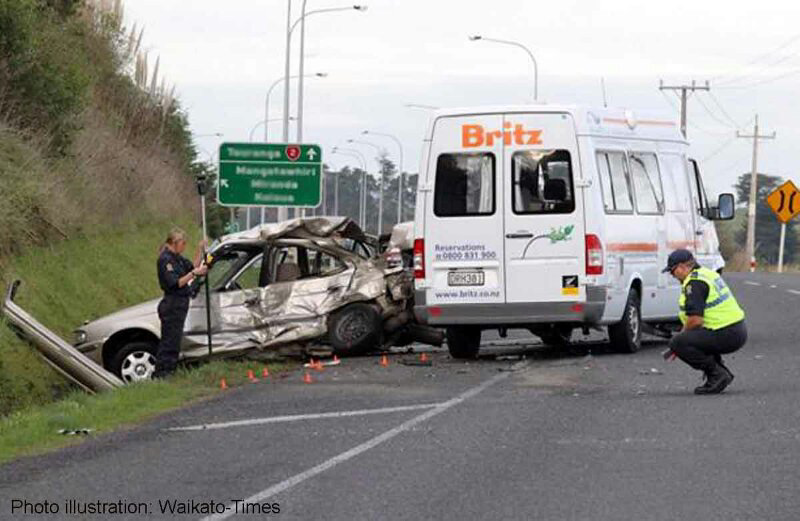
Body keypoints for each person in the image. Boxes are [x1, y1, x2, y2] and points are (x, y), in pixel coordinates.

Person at [663, 249, 747, 395]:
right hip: (735, 330)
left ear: (682, 266)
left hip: (726, 332)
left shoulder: (694, 284)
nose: (672, 275)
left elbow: (695, 320)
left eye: (672, 270)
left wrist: (679, 341)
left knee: (678, 342)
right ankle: (720, 373)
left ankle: (718, 375)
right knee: (688, 339)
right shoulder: (706, 274)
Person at [153, 228, 208, 378]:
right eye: (183, 243)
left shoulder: (178, 258)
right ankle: (163, 373)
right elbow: (175, 283)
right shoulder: (165, 260)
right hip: (172, 303)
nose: (184, 247)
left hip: (181, 303)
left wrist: (200, 249)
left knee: (175, 340)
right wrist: (194, 274)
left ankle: (170, 371)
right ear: (175, 243)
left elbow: (193, 267)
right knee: (169, 342)